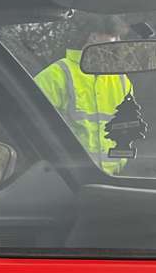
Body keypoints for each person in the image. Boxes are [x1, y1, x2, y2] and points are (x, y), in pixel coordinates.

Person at [34, 14, 135, 174]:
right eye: (111, 38)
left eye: (118, 39)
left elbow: (128, 130)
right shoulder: (57, 74)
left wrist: (120, 167)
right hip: (68, 180)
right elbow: (31, 125)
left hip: (113, 179)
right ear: (91, 37)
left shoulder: (122, 80)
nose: (116, 46)